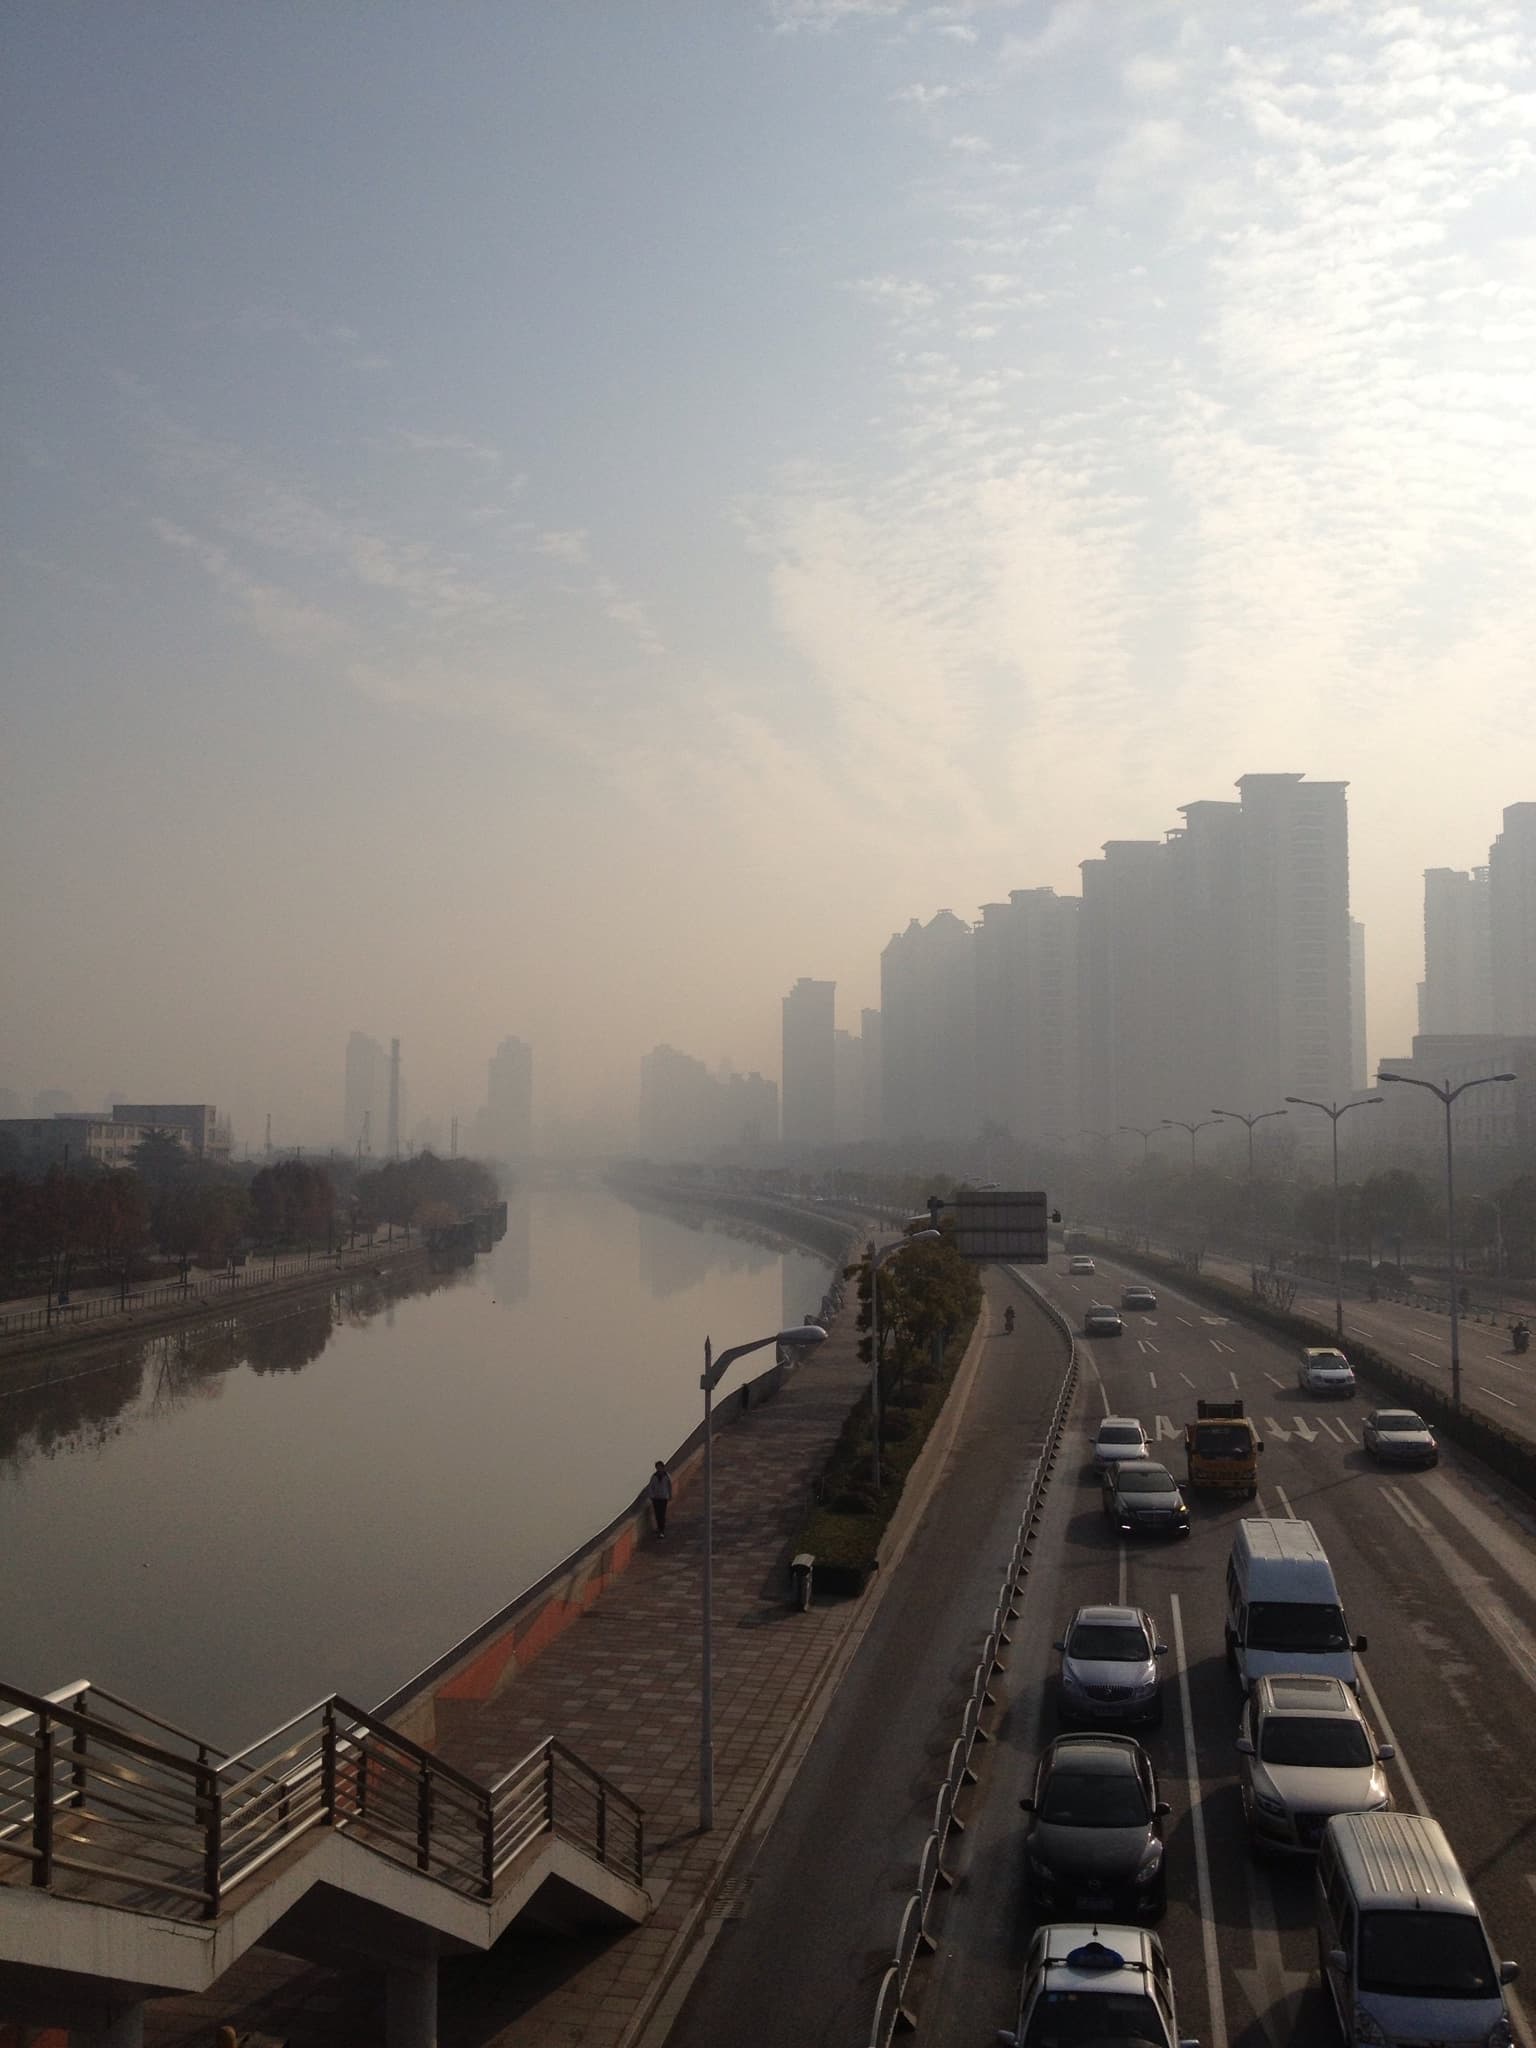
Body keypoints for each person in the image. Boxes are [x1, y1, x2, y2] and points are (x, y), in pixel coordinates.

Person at [646, 1459, 673, 1536]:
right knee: (657, 1514)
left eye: (660, 1467)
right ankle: (659, 1528)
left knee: (662, 1513)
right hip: (656, 1498)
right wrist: (651, 1496)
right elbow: (651, 1487)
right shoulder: (654, 1477)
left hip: (664, 1497)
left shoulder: (667, 1476)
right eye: (657, 1467)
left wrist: (670, 1495)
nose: (659, 1469)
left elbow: (669, 1486)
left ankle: (662, 1529)